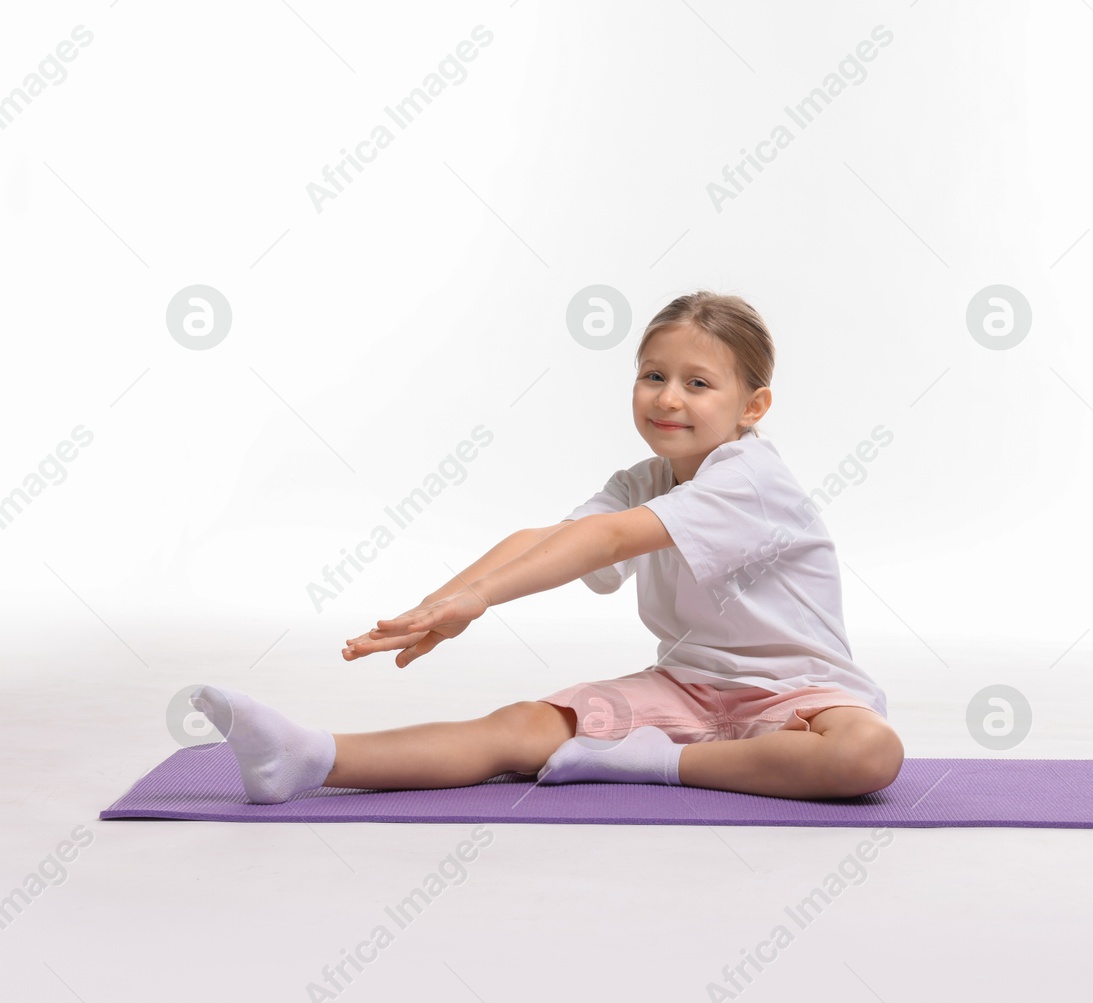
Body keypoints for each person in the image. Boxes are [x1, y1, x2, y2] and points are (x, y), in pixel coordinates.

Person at [189, 291, 904, 804]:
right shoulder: (645, 477)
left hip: (799, 696)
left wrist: (479, 597)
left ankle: (649, 765)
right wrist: (441, 604)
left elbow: (611, 537)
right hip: (687, 690)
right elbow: (551, 540)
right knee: (520, 727)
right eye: (653, 376)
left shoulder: (750, 478)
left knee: (868, 753)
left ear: (752, 407)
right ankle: (309, 755)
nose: (668, 398)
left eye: (698, 383)